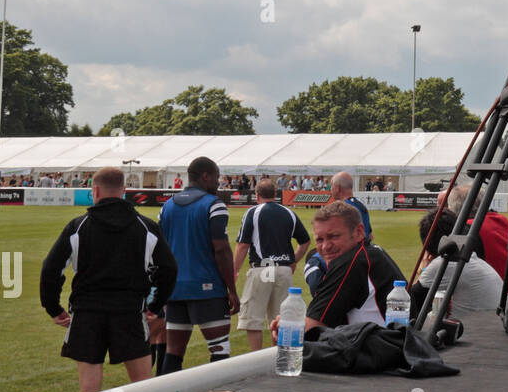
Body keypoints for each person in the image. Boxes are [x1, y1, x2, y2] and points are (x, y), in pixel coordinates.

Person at [40, 166, 177, 392]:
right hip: (129, 313)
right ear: (124, 191)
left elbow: (50, 269)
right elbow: (169, 269)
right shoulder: (145, 227)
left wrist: (53, 308)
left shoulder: (78, 226)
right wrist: (156, 305)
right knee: (142, 388)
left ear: (95, 191)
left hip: (87, 315)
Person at [157, 156, 239, 378]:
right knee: (219, 348)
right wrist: (231, 290)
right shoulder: (214, 204)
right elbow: (221, 249)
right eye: (216, 177)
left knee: (173, 352)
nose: (218, 182)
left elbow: (160, 251)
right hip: (207, 289)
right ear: (205, 176)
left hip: (175, 290)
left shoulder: (167, 207)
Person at [300, 201, 405, 329]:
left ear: (359, 232)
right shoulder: (370, 252)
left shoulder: (352, 262)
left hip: (379, 347)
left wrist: (289, 324)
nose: (325, 247)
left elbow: (311, 328)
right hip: (393, 343)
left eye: (334, 236)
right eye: (319, 240)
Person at [232, 179, 310, 351]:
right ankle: (279, 358)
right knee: (281, 319)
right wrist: (293, 260)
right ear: (275, 195)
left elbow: (242, 245)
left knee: (253, 320)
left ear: (257, 195)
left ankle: (258, 361)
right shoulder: (289, 213)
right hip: (284, 270)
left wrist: (235, 270)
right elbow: (305, 241)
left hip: (262, 268)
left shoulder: (253, 212)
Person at [411, 207, 503, 319]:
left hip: (476, 331)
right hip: (495, 324)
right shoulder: (471, 258)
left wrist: (424, 270)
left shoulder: (444, 263)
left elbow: (410, 304)